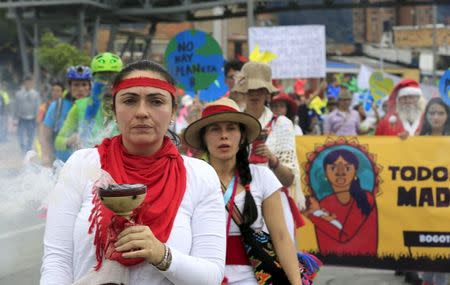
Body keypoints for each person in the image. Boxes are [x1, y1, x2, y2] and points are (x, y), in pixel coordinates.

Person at [40, 60, 226, 285]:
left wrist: (161, 254)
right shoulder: (82, 165)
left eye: (156, 101)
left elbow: (211, 277)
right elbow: (57, 262)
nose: (142, 112)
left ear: (173, 110)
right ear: (114, 110)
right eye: (129, 101)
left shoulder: (200, 175)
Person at [183, 97, 302, 285]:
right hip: (200, 277)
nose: (224, 136)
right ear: (204, 138)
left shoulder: (262, 177)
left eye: (231, 128)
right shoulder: (189, 179)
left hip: (251, 279)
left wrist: (296, 283)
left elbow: (281, 236)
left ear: (242, 136)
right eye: (215, 129)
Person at [232, 61, 305, 238]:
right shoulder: (232, 122)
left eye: (260, 90)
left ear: (267, 94)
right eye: (250, 89)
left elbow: (288, 179)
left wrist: (272, 159)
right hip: (236, 201)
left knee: (276, 259)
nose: (254, 94)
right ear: (243, 92)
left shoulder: (282, 124)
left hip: (273, 203)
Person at [305, 149, 378, 255]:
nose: (340, 172)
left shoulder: (365, 198)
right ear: (325, 172)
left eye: (347, 168)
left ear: (355, 172)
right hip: (327, 262)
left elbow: (344, 236)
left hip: (362, 260)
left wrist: (312, 214)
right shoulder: (324, 202)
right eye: (333, 168)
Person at [55, 52, 123, 154]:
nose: (108, 84)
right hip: (88, 164)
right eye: (102, 78)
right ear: (94, 80)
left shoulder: (130, 106)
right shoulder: (80, 107)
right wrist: (69, 141)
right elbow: (58, 141)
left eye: (113, 79)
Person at [418, 97, 449, 285]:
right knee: (426, 259)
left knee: (442, 258)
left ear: (447, 116)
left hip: (446, 207)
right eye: (432, 113)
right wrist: (402, 142)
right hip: (424, 205)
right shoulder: (418, 142)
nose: (436, 117)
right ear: (426, 116)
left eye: (440, 113)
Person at [41, 66, 92, 166]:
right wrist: (46, 156)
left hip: (88, 165)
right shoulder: (57, 106)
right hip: (61, 164)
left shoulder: (96, 107)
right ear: (69, 87)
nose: (80, 89)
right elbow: (45, 135)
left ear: (90, 87)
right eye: (76, 85)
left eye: (84, 84)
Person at [14, 76, 41, 154]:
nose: (28, 84)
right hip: (21, 117)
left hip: (32, 118)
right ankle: (22, 148)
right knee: (20, 135)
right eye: (27, 82)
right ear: (24, 83)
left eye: (30, 82)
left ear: (32, 83)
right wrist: (15, 117)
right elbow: (16, 105)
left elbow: (38, 106)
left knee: (31, 135)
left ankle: (28, 149)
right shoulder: (18, 94)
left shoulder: (36, 94)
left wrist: (37, 117)